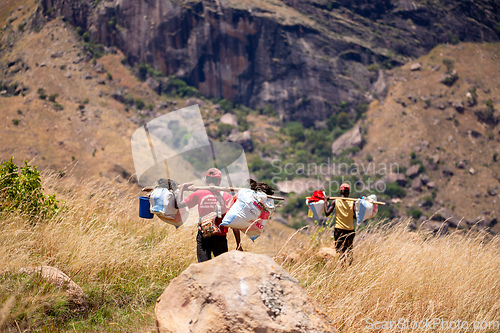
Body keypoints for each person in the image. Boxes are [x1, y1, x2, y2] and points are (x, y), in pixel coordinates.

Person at [178, 168, 242, 262]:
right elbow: (233, 223)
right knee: (221, 267)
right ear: (219, 181)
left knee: (203, 267)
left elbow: (179, 204)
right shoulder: (227, 197)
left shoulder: (199, 193)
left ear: (206, 180)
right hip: (220, 237)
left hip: (204, 235)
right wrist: (238, 244)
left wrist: (182, 187)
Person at [324, 183, 357, 265]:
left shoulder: (335, 201)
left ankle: (343, 268)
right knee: (349, 250)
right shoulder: (352, 203)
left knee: (341, 250)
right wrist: (349, 215)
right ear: (348, 193)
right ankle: (350, 267)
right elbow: (356, 216)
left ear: (340, 192)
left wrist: (325, 202)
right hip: (350, 230)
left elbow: (327, 213)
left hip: (339, 230)